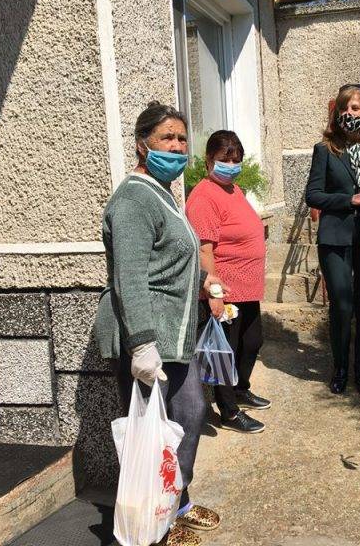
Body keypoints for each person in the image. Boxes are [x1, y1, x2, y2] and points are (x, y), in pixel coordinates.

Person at [96, 101, 224, 546]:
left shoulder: (162, 194)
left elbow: (170, 260)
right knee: (155, 435)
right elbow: (130, 277)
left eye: (182, 139)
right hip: (148, 335)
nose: (177, 146)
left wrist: (207, 281)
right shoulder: (133, 199)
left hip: (172, 335)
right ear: (142, 144)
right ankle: (154, 527)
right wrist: (142, 344)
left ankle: (175, 504)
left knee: (187, 414)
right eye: (167, 137)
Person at [304, 84, 360, 397]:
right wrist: (348, 200)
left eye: (355, 108)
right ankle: (340, 368)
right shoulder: (324, 150)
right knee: (341, 304)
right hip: (335, 237)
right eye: (344, 108)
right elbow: (313, 195)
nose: (349, 113)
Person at [186, 130, 271, 434]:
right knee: (225, 352)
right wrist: (214, 293)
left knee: (252, 342)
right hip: (226, 289)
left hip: (247, 288)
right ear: (209, 160)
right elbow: (204, 249)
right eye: (225, 160)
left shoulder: (233, 190)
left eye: (236, 160)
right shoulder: (203, 196)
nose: (231, 165)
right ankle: (229, 413)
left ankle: (239, 389)